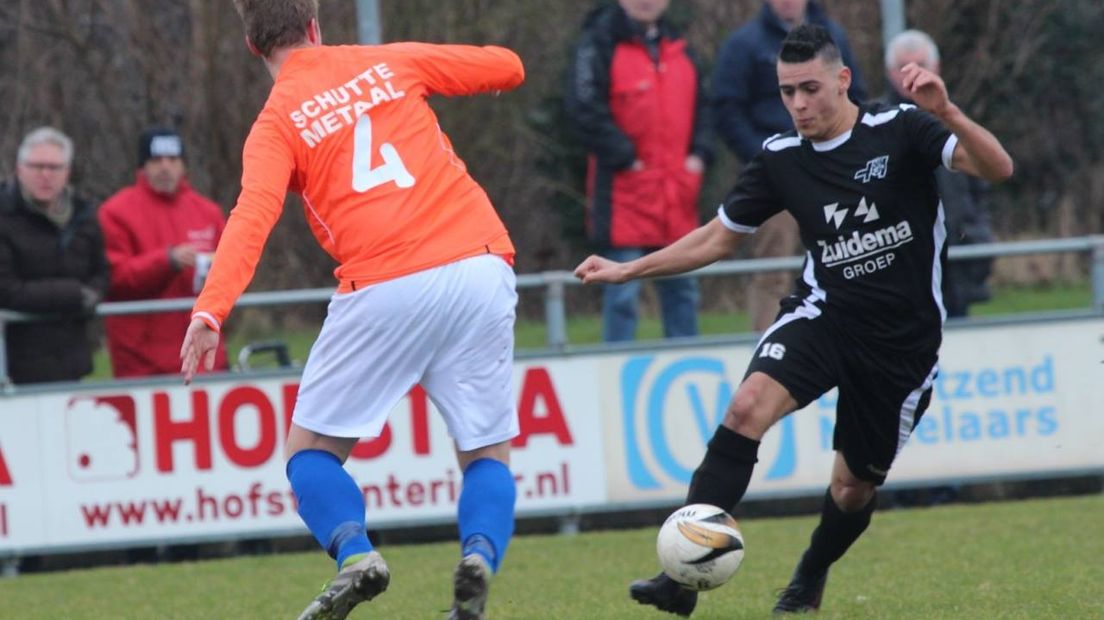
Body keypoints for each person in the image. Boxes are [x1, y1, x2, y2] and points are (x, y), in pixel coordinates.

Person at [575, 25, 1012, 615]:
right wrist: (628, 272)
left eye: (810, 88)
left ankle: (810, 574)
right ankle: (679, 580)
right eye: (787, 92)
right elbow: (716, 240)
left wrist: (949, 111)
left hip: (901, 344)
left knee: (852, 488)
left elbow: (998, 167)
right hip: (823, 315)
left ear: (842, 79)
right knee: (745, 406)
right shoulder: (781, 160)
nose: (799, 104)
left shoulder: (902, 129)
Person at [178, 2, 525, 619]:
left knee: (308, 453)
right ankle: (478, 557)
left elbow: (251, 218)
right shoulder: (387, 61)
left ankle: (357, 554)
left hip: (385, 281)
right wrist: (431, 69)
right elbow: (508, 67)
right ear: (315, 26)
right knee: (486, 453)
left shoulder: (276, 121)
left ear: (253, 46)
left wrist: (210, 311)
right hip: (479, 259)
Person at [713, 0, 867, 331]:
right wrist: (769, 160)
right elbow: (726, 109)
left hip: (834, 174)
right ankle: (770, 348)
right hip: (778, 181)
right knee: (774, 268)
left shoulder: (833, 37)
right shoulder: (745, 44)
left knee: (854, 257)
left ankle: (854, 336)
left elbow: (857, 98)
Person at [565, 0, 713, 342]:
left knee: (684, 291)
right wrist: (624, 157)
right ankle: (616, 380)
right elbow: (583, 109)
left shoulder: (682, 48)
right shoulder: (598, 44)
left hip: (676, 195)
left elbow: (707, 109)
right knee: (621, 297)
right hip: (623, 196)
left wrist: (700, 156)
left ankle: (686, 369)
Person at [98, 127, 229, 378]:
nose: (165, 167)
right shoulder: (115, 212)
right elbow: (114, 278)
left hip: (203, 358)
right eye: (156, 160)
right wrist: (165, 261)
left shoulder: (208, 212)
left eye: (173, 160)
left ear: (183, 165)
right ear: (142, 167)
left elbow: (234, 270)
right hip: (142, 363)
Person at [884, 29, 994, 318]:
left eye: (920, 63)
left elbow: (983, 183)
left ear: (937, 68)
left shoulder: (957, 119)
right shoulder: (873, 125)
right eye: (902, 66)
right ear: (889, 73)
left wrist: (977, 230)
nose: (912, 73)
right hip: (901, 264)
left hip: (956, 255)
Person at [0, 127, 110, 385]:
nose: (45, 175)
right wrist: (75, 295)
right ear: (19, 168)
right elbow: (6, 290)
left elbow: (101, 273)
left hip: (72, 360)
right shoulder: (4, 217)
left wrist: (93, 294)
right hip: (13, 365)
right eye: (37, 166)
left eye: (54, 167)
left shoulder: (85, 217)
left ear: (67, 172)